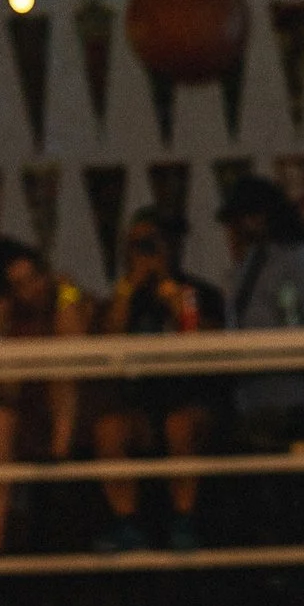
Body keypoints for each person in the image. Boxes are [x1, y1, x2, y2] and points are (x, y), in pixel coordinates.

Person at [89, 209, 225, 552]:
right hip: (141, 405)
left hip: (191, 403)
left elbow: (200, 336)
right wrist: (131, 285)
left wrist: (170, 290)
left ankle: (185, 520)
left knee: (179, 426)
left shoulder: (195, 291)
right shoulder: (123, 296)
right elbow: (108, 337)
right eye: (136, 244)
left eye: (151, 243)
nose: (144, 251)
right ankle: (125, 522)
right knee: (109, 429)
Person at [218, 177, 304, 542]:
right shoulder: (251, 264)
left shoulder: (299, 260)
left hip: (290, 397)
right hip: (251, 396)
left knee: (281, 488)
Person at [0, 241, 91, 564]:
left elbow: (74, 345)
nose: (32, 289)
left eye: (34, 278)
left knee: (61, 371)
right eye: (19, 285)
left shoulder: (70, 300)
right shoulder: (10, 321)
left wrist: (67, 294)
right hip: (27, 414)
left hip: (77, 415)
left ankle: (59, 454)